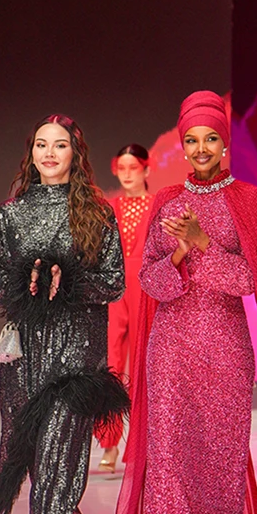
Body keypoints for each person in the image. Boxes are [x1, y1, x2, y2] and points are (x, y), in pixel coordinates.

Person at [87, 91, 257, 514]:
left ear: (225, 143)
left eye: (211, 138)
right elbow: (150, 280)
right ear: (184, 146)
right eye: (192, 140)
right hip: (171, 347)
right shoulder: (167, 199)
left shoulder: (248, 200)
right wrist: (180, 253)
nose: (202, 148)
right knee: (168, 456)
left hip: (226, 350)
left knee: (221, 462)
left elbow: (251, 280)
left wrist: (202, 243)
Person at [0, 114, 127, 514]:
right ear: (31, 152)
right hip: (24, 353)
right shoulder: (10, 214)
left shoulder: (97, 214)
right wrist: (27, 284)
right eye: (41, 144)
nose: (49, 153)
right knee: (40, 456)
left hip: (77, 351)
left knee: (61, 448)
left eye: (60, 145)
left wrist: (71, 284)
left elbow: (115, 281)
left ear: (75, 154)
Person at [97, 144, 155, 472]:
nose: (128, 174)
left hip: (146, 289)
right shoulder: (111, 207)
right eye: (122, 168)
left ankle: (140, 445)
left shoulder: (158, 205)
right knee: (112, 361)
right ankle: (109, 442)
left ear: (146, 170)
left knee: (144, 364)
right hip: (116, 288)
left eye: (134, 167)